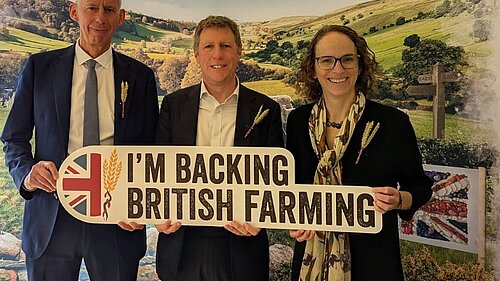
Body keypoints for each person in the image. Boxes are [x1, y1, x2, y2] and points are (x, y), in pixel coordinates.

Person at [0, 0, 159, 279]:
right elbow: (14, 138)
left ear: (121, 17)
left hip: (116, 218)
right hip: (52, 216)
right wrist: (27, 173)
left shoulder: (140, 77)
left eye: (109, 9)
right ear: (75, 12)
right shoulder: (39, 68)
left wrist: (141, 205)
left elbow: (151, 150)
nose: (100, 17)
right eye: (92, 8)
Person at [286, 25, 432, 281]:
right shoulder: (298, 122)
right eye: (327, 60)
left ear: (361, 64)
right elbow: (292, 190)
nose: (338, 69)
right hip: (311, 260)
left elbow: (419, 187)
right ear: (313, 68)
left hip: (374, 262)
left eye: (347, 59)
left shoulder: (392, 122)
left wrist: (398, 199)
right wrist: (294, 221)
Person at [155, 15, 284, 281]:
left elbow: (275, 178)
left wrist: (261, 219)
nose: (218, 54)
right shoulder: (173, 105)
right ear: (196, 54)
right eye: (209, 46)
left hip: (241, 243)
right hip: (182, 241)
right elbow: (158, 168)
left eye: (226, 46)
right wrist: (158, 213)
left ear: (239, 51)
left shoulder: (266, 109)